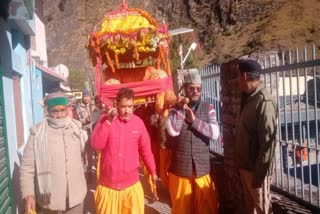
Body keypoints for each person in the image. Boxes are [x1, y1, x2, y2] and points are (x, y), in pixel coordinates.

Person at [91, 88, 157, 214]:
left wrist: (153, 171)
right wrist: (109, 121)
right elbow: (96, 144)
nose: (127, 111)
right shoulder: (105, 119)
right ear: (116, 104)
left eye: (130, 106)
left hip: (131, 188)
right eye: (123, 106)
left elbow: (146, 150)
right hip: (108, 188)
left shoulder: (138, 123)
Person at [20, 92, 88, 214]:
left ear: (67, 109)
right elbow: (27, 168)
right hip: (50, 202)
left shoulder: (76, 129)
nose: (60, 115)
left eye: (62, 110)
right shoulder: (37, 134)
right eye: (55, 111)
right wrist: (28, 194)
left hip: (76, 198)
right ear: (48, 111)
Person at [166, 71, 220, 214]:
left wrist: (194, 121)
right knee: (181, 209)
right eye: (192, 88)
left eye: (199, 88)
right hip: (181, 170)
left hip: (202, 169)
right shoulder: (174, 109)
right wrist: (180, 109)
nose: (196, 91)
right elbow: (173, 131)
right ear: (184, 89)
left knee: (206, 210)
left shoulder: (209, 108)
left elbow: (215, 133)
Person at [236, 59, 277, 214]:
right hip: (245, 168)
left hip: (256, 172)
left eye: (238, 76)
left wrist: (259, 177)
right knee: (250, 209)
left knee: (262, 210)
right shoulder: (247, 98)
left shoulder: (264, 102)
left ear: (244, 76)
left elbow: (268, 144)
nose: (237, 80)